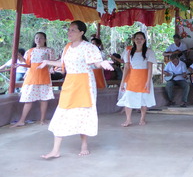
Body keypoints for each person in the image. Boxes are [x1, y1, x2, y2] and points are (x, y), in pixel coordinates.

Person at [39, 20, 113, 159]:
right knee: (61, 113)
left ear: (81, 32)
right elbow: (62, 64)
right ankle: (55, 150)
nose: (69, 32)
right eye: (69, 30)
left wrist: (102, 63)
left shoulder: (89, 47)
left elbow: (96, 62)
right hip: (70, 83)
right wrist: (47, 62)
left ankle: (84, 145)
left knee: (83, 113)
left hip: (84, 84)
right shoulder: (67, 47)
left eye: (73, 30)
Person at [11, 33, 55, 127]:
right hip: (32, 76)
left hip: (44, 76)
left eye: (41, 38)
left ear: (45, 39)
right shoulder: (29, 51)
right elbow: (28, 64)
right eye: (36, 38)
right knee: (28, 99)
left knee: (44, 99)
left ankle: (42, 120)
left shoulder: (49, 50)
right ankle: (22, 120)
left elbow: (53, 62)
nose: (38, 40)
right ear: (34, 40)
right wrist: (20, 62)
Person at [117, 31, 156, 126]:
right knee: (128, 98)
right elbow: (126, 68)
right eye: (137, 38)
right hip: (132, 78)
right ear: (133, 40)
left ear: (144, 40)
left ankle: (142, 119)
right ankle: (128, 119)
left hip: (144, 78)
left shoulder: (148, 52)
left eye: (141, 38)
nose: (139, 40)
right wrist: (122, 82)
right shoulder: (128, 52)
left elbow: (150, 68)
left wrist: (148, 81)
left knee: (144, 99)